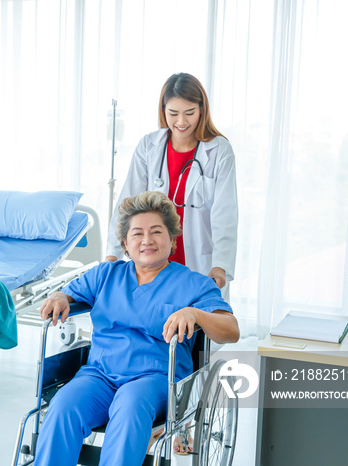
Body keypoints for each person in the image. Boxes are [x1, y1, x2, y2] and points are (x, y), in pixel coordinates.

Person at [33, 191, 240, 466]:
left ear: (172, 239)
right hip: (100, 376)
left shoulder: (194, 284)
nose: (147, 240)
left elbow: (231, 330)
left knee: (129, 404)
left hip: (155, 380)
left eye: (156, 232)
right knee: (63, 406)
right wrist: (60, 297)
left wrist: (195, 313)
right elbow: (68, 293)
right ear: (125, 244)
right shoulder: (105, 274)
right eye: (137, 234)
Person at [106, 73, 238, 299]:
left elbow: (225, 214)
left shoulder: (219, 151)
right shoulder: (149, 146)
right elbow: (127, 204)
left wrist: (220, 265)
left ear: (201, 110)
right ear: (163, 110)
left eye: (189, 113)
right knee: (154, 325)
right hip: (154, 255)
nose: (181, 122)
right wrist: (112, 255)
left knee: (195, 324)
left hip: (197, 259)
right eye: (173, 113)